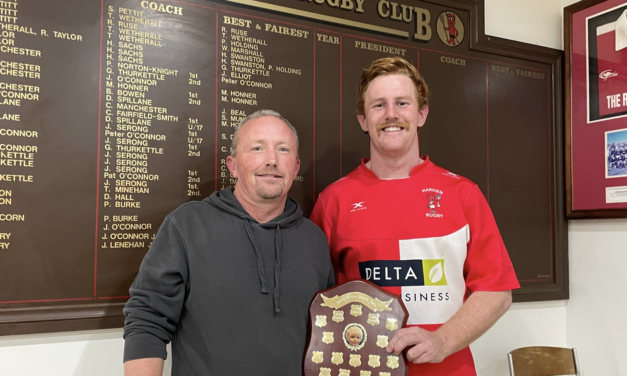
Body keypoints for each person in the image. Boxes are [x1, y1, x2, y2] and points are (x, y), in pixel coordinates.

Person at [310, 57, 519, 376]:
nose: (391, 114)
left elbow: (497, 292)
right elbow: (315, 301)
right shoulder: (333, 201)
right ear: (363, 120)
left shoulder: (463, 194)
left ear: (421, 114)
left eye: (402, 103)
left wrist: (443, 341)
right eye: (378, 105)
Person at [123, 109, 335, 376]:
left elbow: (328, 333)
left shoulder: (314, 240)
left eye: (283, 149)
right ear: (233, 165)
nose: (271, 160)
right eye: (257, 148)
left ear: (295, 167)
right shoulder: (187, 226)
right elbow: (147, 320)